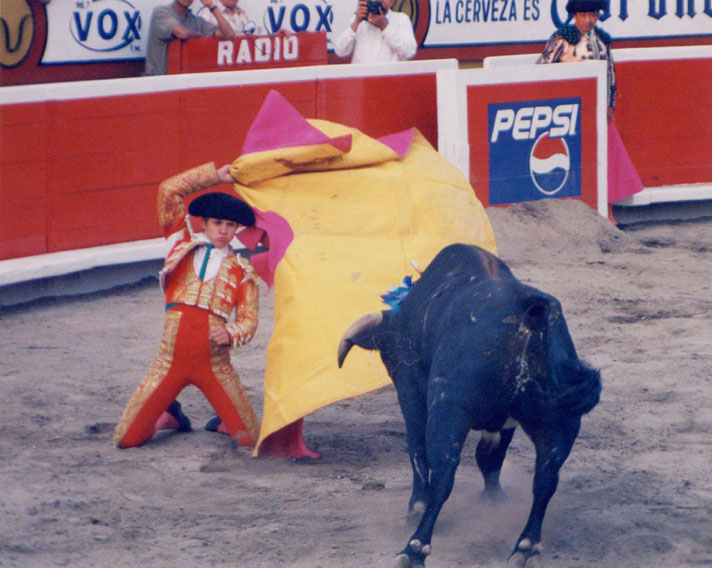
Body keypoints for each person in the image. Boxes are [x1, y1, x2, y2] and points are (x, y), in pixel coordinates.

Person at [114, 162, 261, 449]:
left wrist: (231, 333)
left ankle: (222, 421)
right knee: (127, 439)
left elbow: (249, 320)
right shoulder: (179, 244)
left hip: (215, 366)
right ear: (203, 223)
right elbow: (169, 190)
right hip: (168, 362)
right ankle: (170, 414)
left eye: (230, 225)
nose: (223, 231)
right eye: (217, 223)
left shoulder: (243, 272)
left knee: (250, 440)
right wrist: (214, 177)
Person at [537, 0, 643, 208]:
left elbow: (610, 73)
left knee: (608, 159)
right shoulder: (562, 39)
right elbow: (542, 71)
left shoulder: (602, 40)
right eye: (584, 15)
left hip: (597, 109)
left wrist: (610, 104)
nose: (589, 20)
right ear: (575, 15)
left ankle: (609, 210)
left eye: (593, 15)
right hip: (569, 111)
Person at [144, 0, 235, 76]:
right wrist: (198, 34)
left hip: (181, 81)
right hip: (157, 80)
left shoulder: (196, 20)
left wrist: (211, 6)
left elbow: (228, 33)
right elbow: (181, 33)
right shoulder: (161, 12)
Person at [333, 0, 417, 64]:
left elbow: (409, 51)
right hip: (362, 81)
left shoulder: (401, 19)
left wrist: (384, 27)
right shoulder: (360, 20)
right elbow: (340, 51)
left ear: (392, 2)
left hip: (390, 80)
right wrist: (356, 23)